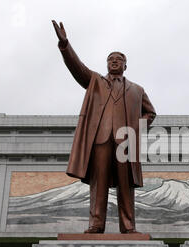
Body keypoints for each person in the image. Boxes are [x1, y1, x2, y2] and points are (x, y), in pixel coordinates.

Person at [52, 21, 156, 234]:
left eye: (119, 60)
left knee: (126, 185)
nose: (114, 62)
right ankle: (96, 224)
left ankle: (128, 226)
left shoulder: (137, 90)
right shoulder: (95, 81)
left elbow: (151, 113)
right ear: (106, 64)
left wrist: (135, 128)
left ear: (125, 65)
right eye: (110, 59)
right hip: (100, 139)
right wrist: (65, 44)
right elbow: (76, 67)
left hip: (125, 143)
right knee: (98, 184)